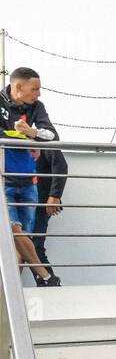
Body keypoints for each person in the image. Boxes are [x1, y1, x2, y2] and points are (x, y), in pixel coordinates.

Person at [1, 67, 60, 286]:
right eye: (35, 89)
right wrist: (24, 138)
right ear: (18, 87)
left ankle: (10, 289)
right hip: (3, 180)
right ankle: (46, 276)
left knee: (23, 238)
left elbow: (52, 136)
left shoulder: (37, 107)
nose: (39, 93)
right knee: (14, 231)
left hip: (28, 182)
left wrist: (32, 134)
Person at [29, 142, 68, 270]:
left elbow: (61, 165)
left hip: (41, 204)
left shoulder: (42, 139)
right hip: (24, 203)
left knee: (34, 247)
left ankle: (50, 282)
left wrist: (54, 196)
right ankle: (11, 288)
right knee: (21, 246)